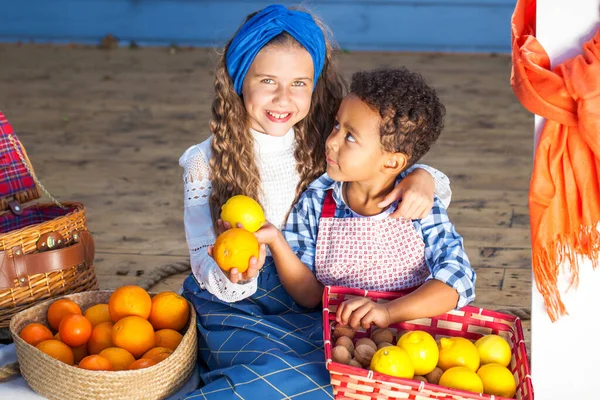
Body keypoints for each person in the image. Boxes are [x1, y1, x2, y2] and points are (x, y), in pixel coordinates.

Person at [179, 5, 453, 399]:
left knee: (343, 374)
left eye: (299, 83)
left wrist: (425, 177)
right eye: (268, 80)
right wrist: (234, 276)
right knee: (268, 378)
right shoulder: (203, 162)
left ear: (315, 85)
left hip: (310, 296)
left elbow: (387, 160)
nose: (283, 98)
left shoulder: (325, 139)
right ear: (240, 80)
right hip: (235, 304)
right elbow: (203, 256)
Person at [257, 68, 476, 331]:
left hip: (412, 338)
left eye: (350, 136)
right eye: (337, 125)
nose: (332, 141)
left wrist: (387, 313)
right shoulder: (316, 201)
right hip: (338, 334)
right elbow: (309, 296)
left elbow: (458, 280)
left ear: (392, 161)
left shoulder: (419, 205)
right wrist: (276, 241)